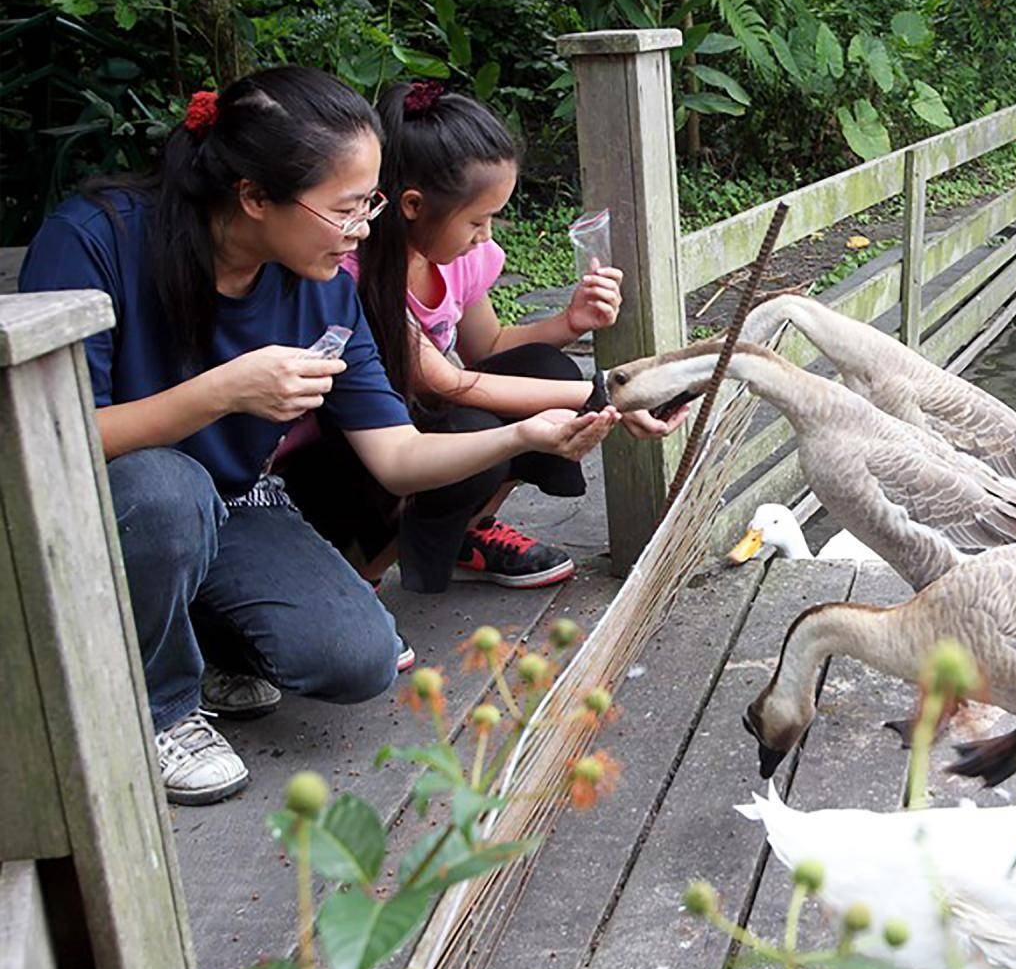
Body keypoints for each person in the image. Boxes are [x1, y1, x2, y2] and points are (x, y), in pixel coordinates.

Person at [20, 67, 616, 805]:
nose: (365, 229)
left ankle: (200, 643)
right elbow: (50, 440)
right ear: (255, 198)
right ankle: (159, 710)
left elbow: (395, 458)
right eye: (346, 208)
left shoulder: (326, 278)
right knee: (164, 487)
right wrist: (222, 391)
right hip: (104, 508)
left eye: (369, 202)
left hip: (237, 504)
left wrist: (525, 435)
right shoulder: (96, 240)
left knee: (359, 659)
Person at [277, 80, 684, 595]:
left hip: (414, 427)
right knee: (470, 426)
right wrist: (609, 395)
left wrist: (569, 323)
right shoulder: (351, 275)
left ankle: (468, 534)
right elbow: (445, 382)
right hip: (342, 461)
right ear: (411, 205)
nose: (486, 236)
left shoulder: (463, 258)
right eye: (477, 220)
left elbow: (487, 348)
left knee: (546, 366)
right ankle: (362, 578)